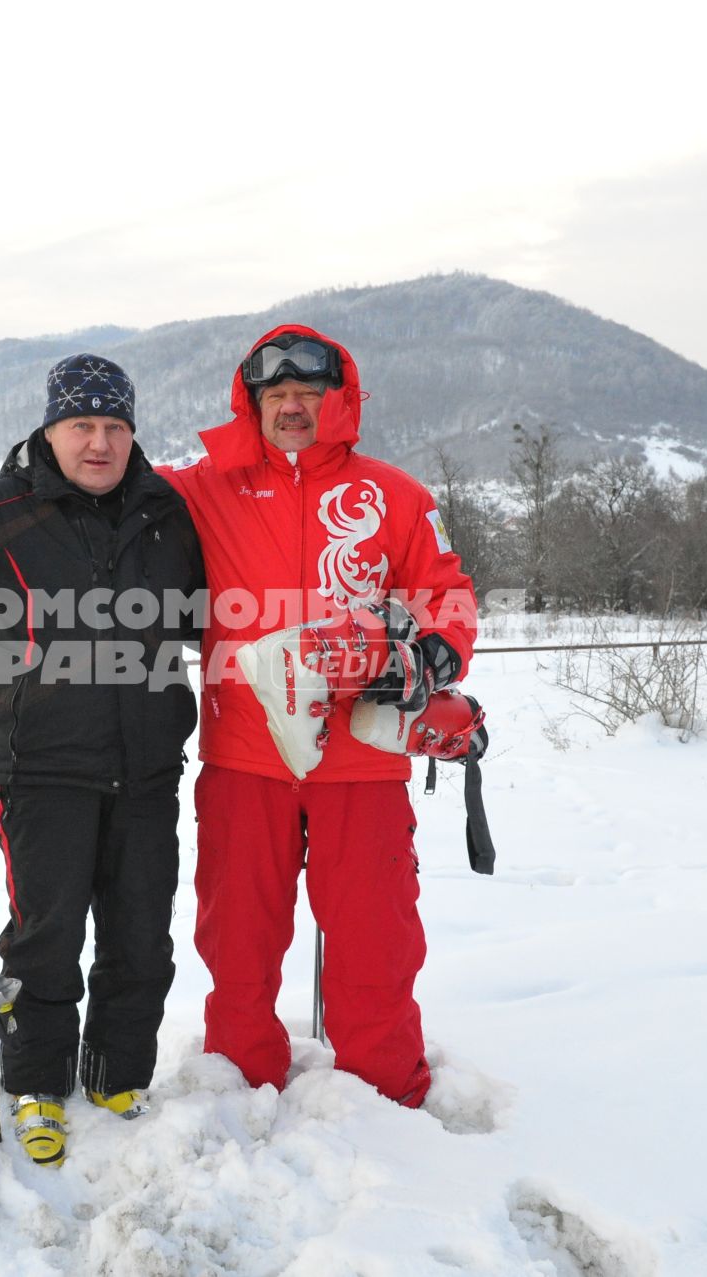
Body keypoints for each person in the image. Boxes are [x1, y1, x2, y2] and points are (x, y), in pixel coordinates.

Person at [0, 354, 203, 1166]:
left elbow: (218, 609)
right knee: (43, 939)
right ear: (50, 429)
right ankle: (38, 1086)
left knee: (141, 935)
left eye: (115, 426)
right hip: (43, 766)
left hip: (151, 766)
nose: (99, 442)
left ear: (133, 433)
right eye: (82, 425)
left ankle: (120, 1072)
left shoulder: (169, 512)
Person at [161, 325, 477, 1108]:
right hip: (244, 753)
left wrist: (433, 656)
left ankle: (384, 1095)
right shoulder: (202, 488)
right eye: (278, 396)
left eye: (310, 394)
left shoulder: (395, 495)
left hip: (362, 759)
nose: (293, 408)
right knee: (237, 939)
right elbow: (95, 491)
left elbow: (446, 593)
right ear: (253, 404)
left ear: (339, 401)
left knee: (375, 941)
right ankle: (238, 1083)